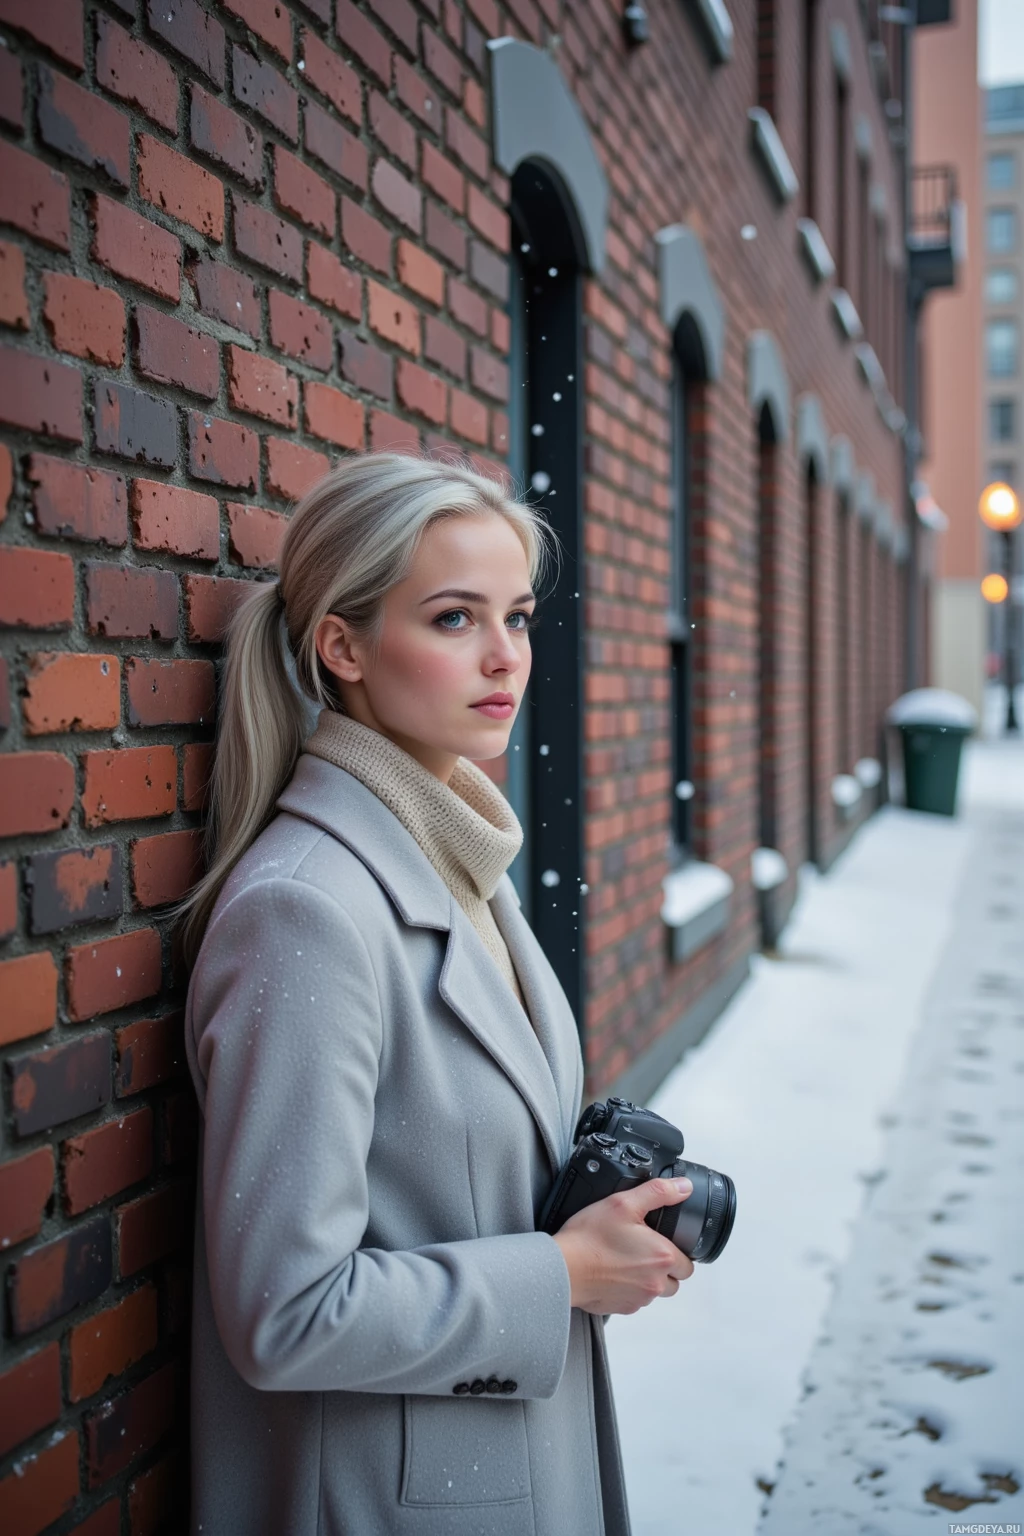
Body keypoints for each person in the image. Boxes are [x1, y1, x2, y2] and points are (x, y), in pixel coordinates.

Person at [176, 450, 695, 1536]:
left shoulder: (461, 869)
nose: (504, 656)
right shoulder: (306, 912)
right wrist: (557, 1273)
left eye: (516, 614)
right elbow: (285, 1313)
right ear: (343, 645)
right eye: (455, 619)